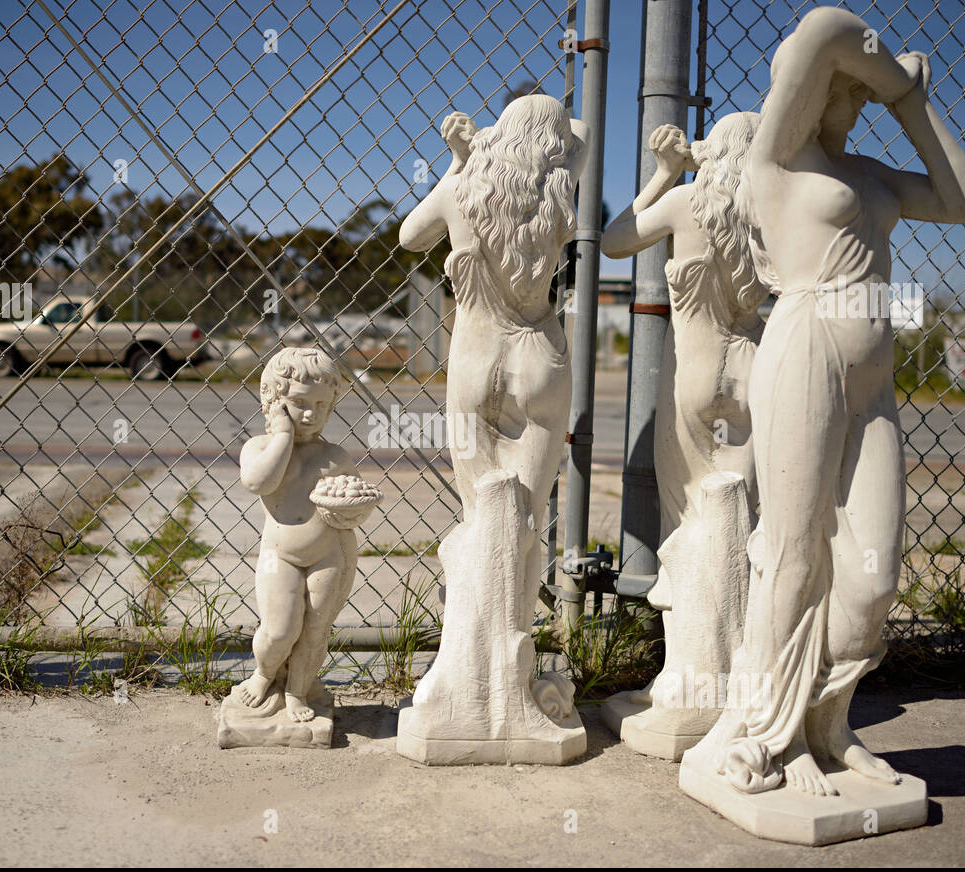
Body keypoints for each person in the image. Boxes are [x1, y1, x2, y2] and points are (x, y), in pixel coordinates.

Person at [703, 7, 965, 796]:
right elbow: (829, 26)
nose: (854, 100)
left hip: (871, 379)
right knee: (793, 555)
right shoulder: (778, 160)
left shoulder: (870, 176)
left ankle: (829, 727)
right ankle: (768, 735)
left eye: (862, 95)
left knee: (871, 578)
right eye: (848, 88)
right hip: (805, 351)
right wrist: (892, 72)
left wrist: (909, 105)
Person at [399, 94, 588, 629]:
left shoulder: (460, 188)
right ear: (554, 146)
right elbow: (584, 130)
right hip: (541, 356)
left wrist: (463, 155)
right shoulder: (558, 187)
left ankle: (473, 644)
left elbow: (409, 237)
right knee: (528, 520)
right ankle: (515, 649)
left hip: (475, 360)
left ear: (496, 134)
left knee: (480, 514)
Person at [601, 112, 767, 611]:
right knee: (748, 516)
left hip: (695, 371)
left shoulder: (684, 203)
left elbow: (614, 241)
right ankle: (743, 646)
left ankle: (693, 655)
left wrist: (666, 171)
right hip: (758, 366)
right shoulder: (776, 209)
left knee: (690, 516)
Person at [235, 348, 359, 723]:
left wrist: (356, 506)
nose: (311, 414)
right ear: (273, 402)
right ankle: (264, 674)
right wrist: (283, 436)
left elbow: (351, 500)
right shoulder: (260, 448)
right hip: (281, 556)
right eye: (299, 403)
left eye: (322, 405)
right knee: (280, 629)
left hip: (330, 554)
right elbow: (259, 481)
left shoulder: (335, 455)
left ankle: (298, 690)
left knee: (316, 629)